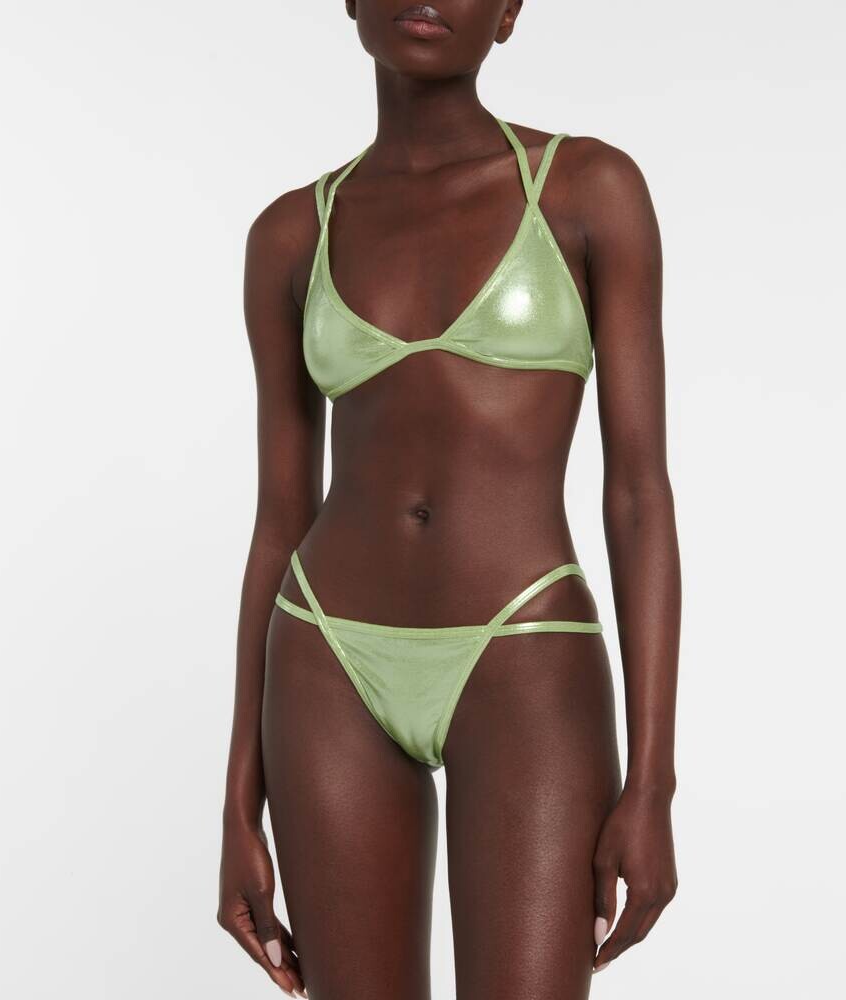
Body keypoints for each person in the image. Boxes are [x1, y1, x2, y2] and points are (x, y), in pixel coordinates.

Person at [218, 2, 680, 997]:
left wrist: (652, 783)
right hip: (326, 655)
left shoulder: (589, 189)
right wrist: (235, 809)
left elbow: (639, 496)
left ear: (508, 12)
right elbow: (278, 520)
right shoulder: (291, 234)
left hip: (524, 651)